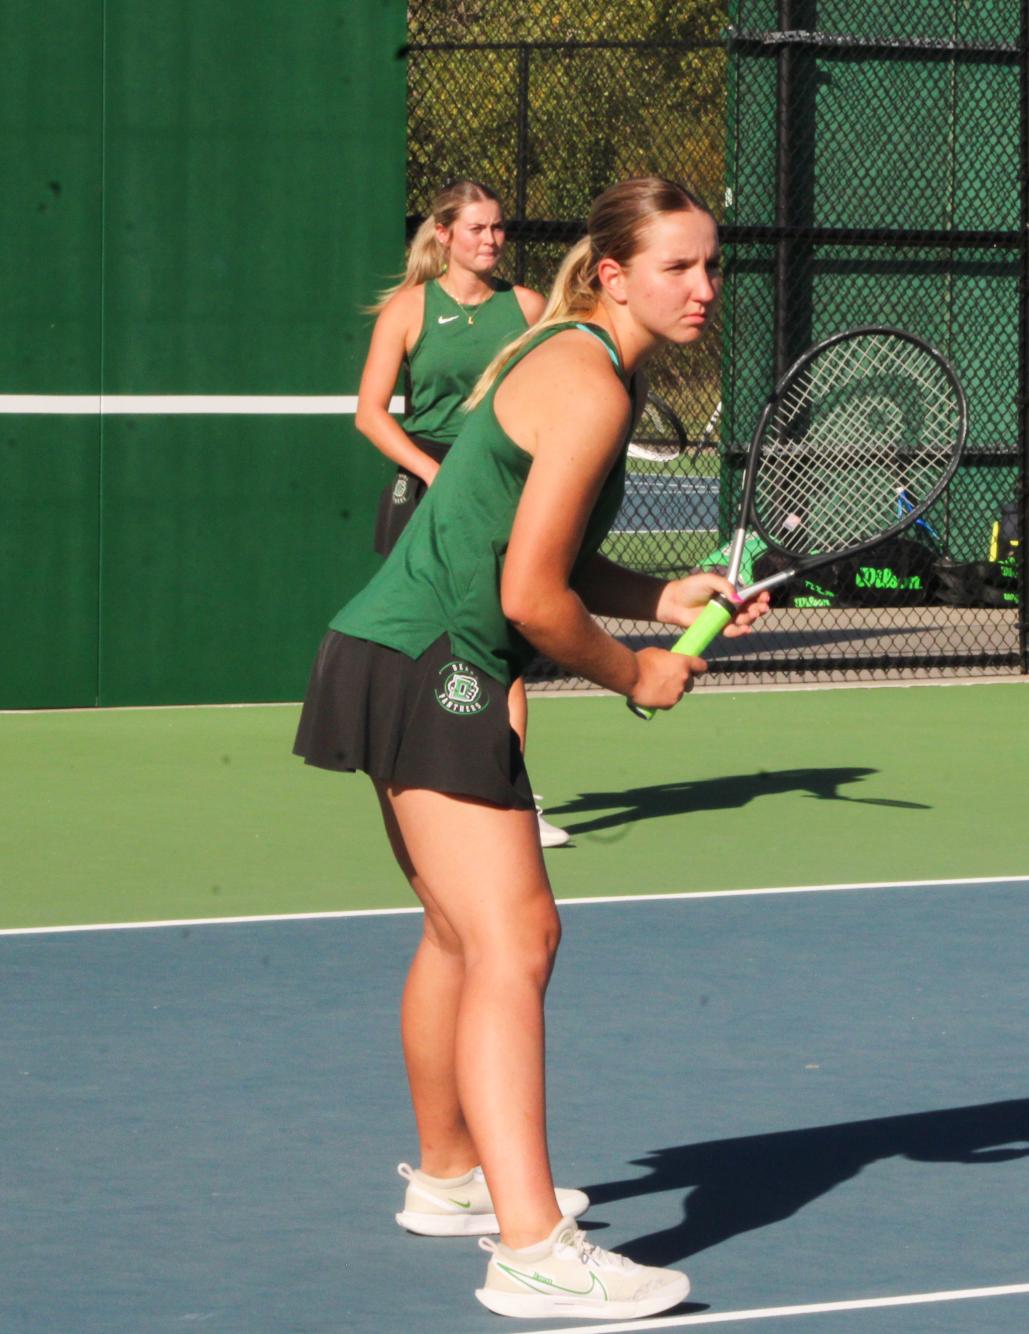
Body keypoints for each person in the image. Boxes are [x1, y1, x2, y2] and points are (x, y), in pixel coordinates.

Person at [295, 176, 764, 1321]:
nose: (704, 288)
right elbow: (530, 594)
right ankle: (532, 1250)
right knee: (519, 934)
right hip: (437, 664)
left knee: (461, 932)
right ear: (614, 273)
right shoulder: (588, 384)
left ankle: (453, 1181)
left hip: (386, 650)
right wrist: (641, 671)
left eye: (712, 266)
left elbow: (532, 542)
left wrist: (661, 590)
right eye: (679, 267)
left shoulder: (560, 350)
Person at [356, 180, 570, 848]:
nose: (490, 239)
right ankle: (422, 789)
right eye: (476, 228)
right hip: (428, 483)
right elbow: (369, 413)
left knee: (496, 644)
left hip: (501, 482)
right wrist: (431, 471)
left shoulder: (528, 306)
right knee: (422, 647)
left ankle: (512, 797)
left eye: (498, 228)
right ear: (443, 234)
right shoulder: (407, 310)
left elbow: (558, 387)